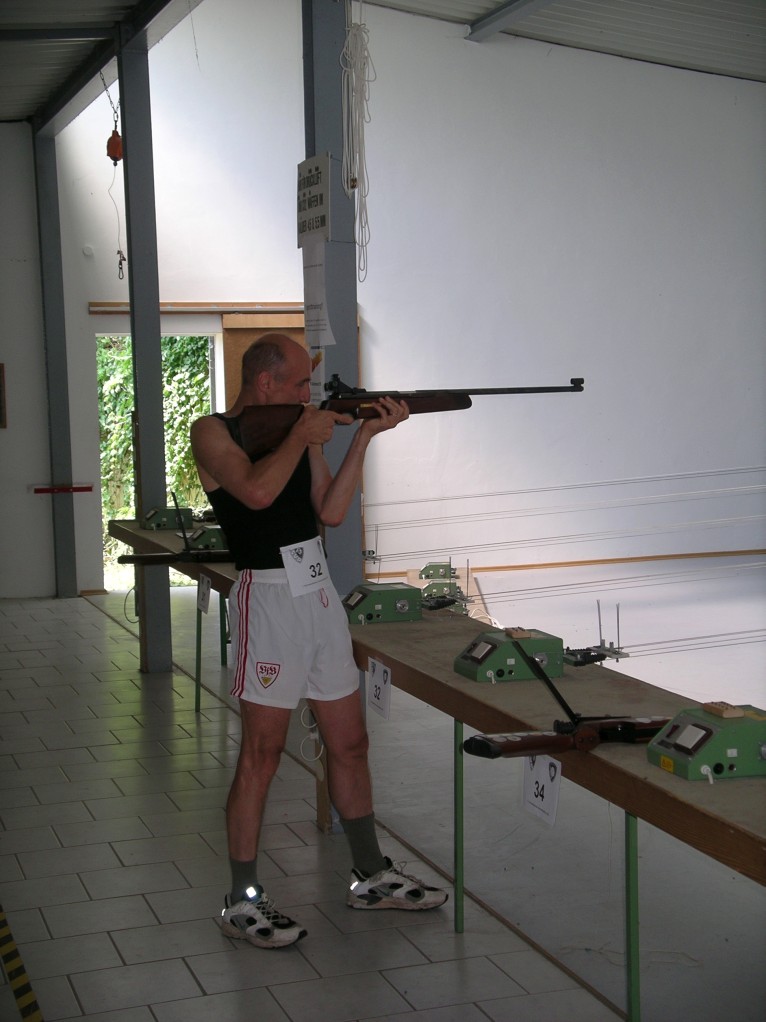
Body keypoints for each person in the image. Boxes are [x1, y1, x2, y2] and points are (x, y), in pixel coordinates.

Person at [191, 333, 447, 949]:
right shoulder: (214, 432)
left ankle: (370, 874)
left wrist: (363, 438)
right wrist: (302, 435)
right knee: (262, 754)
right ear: (265, 383)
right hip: (266, 597)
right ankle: (242, 899)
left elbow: (330, 510)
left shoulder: (296, 432)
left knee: (350, 743)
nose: (308, 393)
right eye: (300, 383)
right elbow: (255, 493)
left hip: (318, 593)